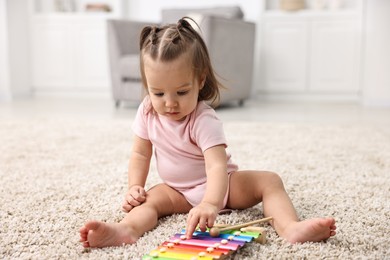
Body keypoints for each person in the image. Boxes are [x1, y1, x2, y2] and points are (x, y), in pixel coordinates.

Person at [79, 17, 336, 248]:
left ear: (200, 81)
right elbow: (140, 153)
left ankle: (289, 227)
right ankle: (126, 230)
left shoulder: (203, 119)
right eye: (158, 93)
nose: (170, 103)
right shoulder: (147, 111)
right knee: (150, 201)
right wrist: (135, 186)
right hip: (176, 191)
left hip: (221, 188)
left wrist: (211, 203)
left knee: (269, 181)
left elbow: (215, 167)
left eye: (181, 92)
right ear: (147, 85)